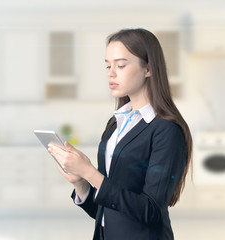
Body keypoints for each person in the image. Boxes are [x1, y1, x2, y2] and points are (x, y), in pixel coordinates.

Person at [48, 28, 192, 240]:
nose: (111, 72)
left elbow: (150, 211)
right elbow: (107, 212)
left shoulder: (166, 130)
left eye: (121, 65)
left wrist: (90, 172)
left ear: (148, 69)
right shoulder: (116, 124)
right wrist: (81, 183)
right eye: (108, 65)